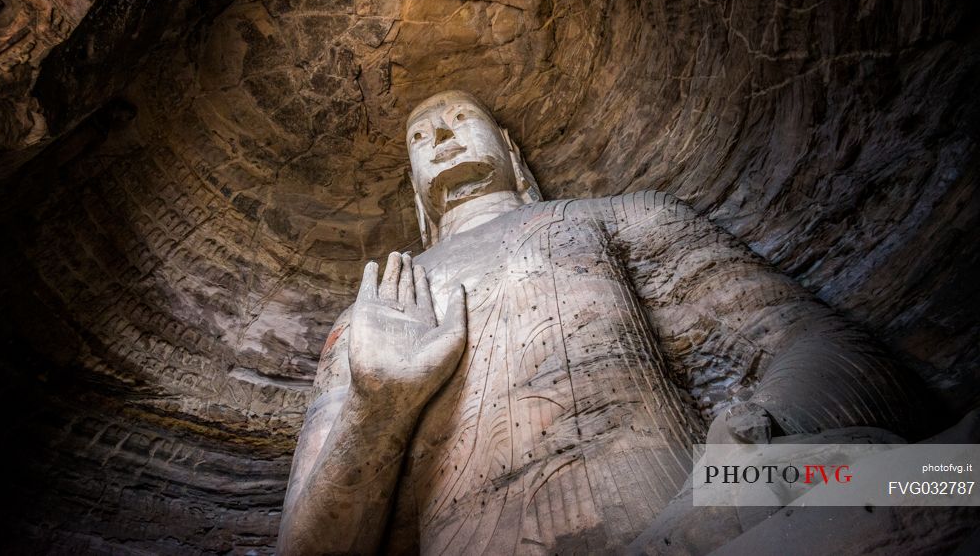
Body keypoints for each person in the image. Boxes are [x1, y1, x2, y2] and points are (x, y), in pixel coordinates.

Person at [276, 91, 924, 555]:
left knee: (937, 474)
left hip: (706, 524)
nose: (442, 139)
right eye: (421, 137)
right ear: (417, 191)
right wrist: (378, 404)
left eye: (458, 119)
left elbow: (832, 350)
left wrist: (734, 476)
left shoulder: (617, 215)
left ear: (510, 149)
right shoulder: (378, 309)